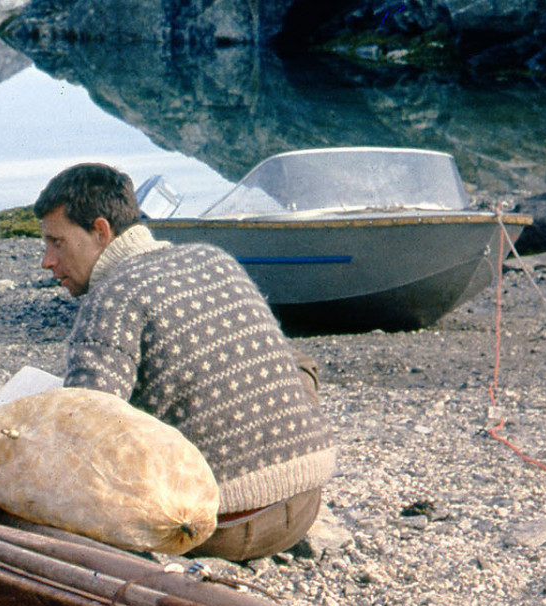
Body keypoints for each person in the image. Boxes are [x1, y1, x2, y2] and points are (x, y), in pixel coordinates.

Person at [33, 163, 337, 561]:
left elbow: (86, 432)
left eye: (56, 242)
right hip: (302, 504)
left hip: (219, 526)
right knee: (284, 363)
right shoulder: (213, 259)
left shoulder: (113, 296)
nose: (47, 261)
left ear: (101, 231)